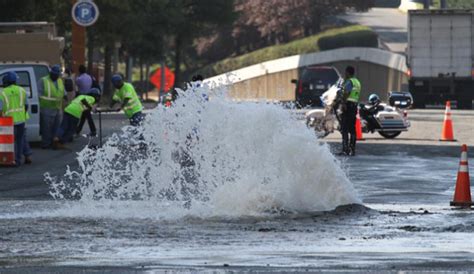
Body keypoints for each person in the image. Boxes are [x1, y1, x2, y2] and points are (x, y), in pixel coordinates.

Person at [0, 72, 28, 166]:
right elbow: (26, 105)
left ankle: (8, 160)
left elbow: (0, 109)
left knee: (8, 143)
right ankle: (18, 160)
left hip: (8, 121)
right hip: (21, 120)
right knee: (19, 141)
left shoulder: (3, 92)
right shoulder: (22, 90)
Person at [38, 65, 65, 149]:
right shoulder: (43, 80)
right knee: (46, 127)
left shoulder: (60, 81)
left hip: (58, 108)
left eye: (57, 75)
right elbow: (39, 94)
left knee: (57, 127)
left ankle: (54, 143)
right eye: (54, 74)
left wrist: (65, 97)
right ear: (51, 73)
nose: (56, 76)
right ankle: (46, 144)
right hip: (46, 108)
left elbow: (63, 92)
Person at [339, 66, 361, 156]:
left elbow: (346, 93)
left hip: (348, 106)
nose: (345, 74)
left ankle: (345, 149)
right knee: (352, 129)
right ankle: (352, 149)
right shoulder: (357, 82)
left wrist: (343, 103)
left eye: (345, 72)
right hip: (354, 106)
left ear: (348, 72)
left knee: (344, 128)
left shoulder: (349, 82)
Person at [75, 65, 96, 137]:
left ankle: (93, 130)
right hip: (89, 96)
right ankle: (78, 130)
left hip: (82, 98)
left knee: (86, 115)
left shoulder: (79, 79)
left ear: (79, 71)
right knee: (85, 115)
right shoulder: (89, 77)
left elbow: (77, 87)